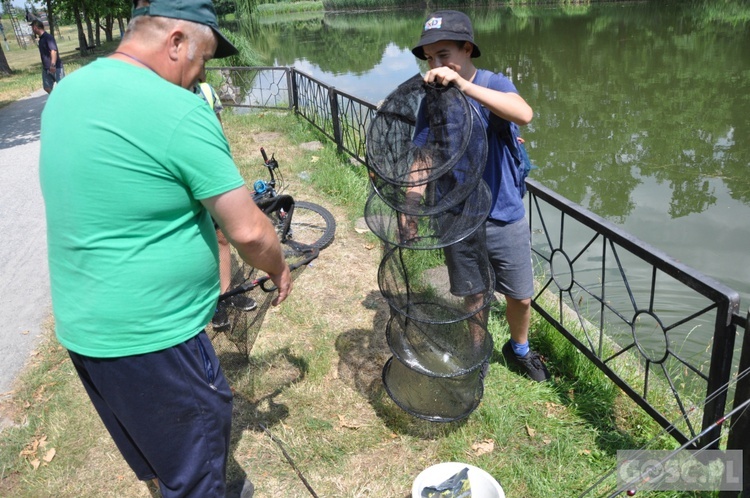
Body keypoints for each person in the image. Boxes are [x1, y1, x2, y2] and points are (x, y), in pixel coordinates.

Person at [39, 0, 292, 496]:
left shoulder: (69, 91)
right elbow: (251, 233)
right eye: (203, 59)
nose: (201, 76)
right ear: (175, 42)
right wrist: (280, 269)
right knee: (196, 472)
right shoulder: (177, 109)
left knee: (157, 456)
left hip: (86, 328)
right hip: (155, 336)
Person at [410, 10, 550, 382]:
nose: (437, 65)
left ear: (467, 49)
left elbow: (524, 113)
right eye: (430, 58)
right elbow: (423, 155)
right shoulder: (431, 100)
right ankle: (477, 351)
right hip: (458, 215)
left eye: (444, 55)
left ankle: (518, 349)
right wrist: (410, 204)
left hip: (504, 212)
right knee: (474, 295)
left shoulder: (492, 82)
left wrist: (463, 85)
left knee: (519, 296)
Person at [193, 80, 258, 331]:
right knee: (196, 240)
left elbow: (219, 132)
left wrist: (226, 167)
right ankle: (206, 302)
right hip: (179, 179)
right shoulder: (160, 89)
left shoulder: (206, 91)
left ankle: (225, 295)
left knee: (222, 236)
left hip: (210, 176)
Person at [30, 19, 64, 94]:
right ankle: (56, 100)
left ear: (35, 27)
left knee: (63, 87)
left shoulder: (48, 37)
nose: (32, 29)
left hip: (56, 67)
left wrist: (53, 65)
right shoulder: (41, 39)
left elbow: (53, 51)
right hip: (46, 68)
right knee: (47, 87)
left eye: (32, 27)